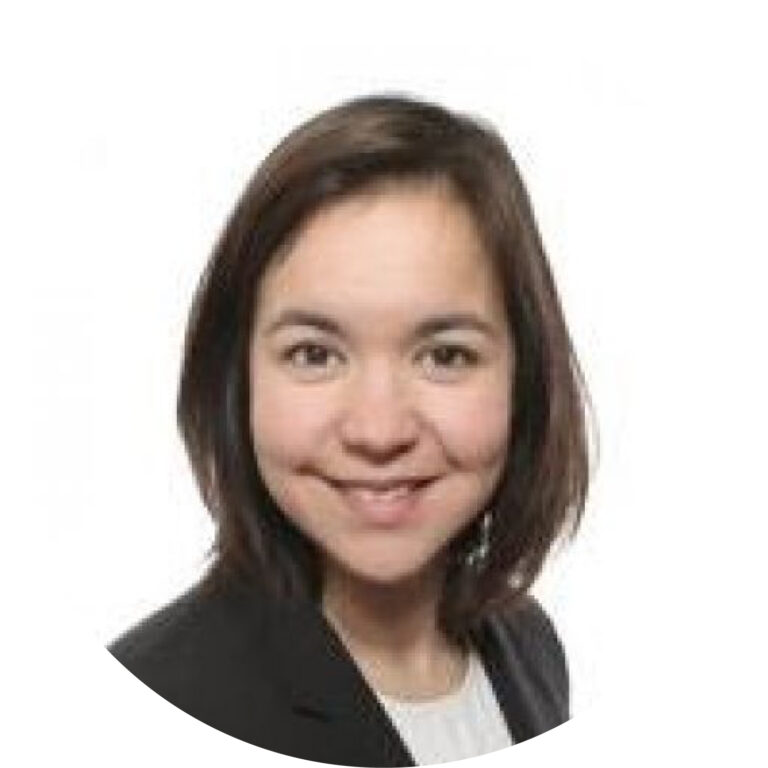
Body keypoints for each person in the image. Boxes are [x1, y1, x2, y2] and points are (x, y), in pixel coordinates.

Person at [108, 92, 591, 767]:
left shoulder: (528, 645)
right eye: (314, 354)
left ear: (525, 376)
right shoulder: (145, 706)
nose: (378, 430)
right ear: (236, 379)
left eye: (446, 355)